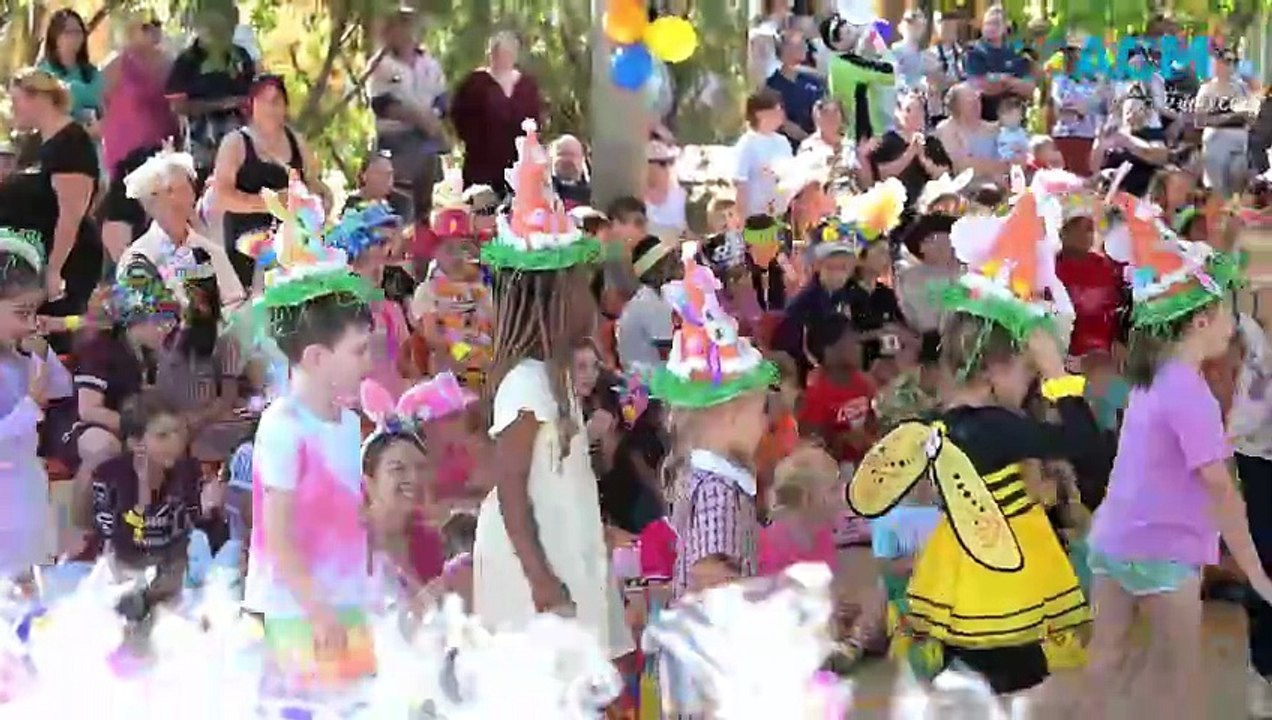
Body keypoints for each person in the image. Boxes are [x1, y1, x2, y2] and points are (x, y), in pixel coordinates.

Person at [847, 180, 1098, 696]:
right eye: (1027, 372)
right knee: (1009, 682)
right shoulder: (993, 427)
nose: (1032, 384)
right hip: (1002, 583)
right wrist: (1059, 374)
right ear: (994, 368)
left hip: (964, 570)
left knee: (980, 686)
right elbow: (1085, 444)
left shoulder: (949, 419)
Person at [1082, 190, 1272, 720]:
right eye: (1228, 312)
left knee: (1108, 659)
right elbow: (1222, 492)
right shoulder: (1191, 395)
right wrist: (1256, 573)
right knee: (1181, 679)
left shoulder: (1153, 377)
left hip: (1114, 539)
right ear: (1202, 321)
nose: (1235, 322)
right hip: (1164, 552)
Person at [473, 120, 631, 661]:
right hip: (532, 568)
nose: (593, 299)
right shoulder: (525, 384)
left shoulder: (556, 376)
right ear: (552, 300)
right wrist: (539, 579)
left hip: (565, 545)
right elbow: (510, 489)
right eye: (582, 288)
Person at [240, 190, 382, 700]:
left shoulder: (346, 424)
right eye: (359, 351)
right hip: (296, 610)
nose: (369, 362)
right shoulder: (284, 426)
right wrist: (317, 610)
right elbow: (278, 536)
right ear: (318, 357)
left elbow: (345, 513)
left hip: (344, 600)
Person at [652, 245, 773, 713]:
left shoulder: (703, 473)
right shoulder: (719, 491)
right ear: (727, 418)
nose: (765, 423)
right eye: (759, 412)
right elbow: (709, 574)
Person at [0, 69, 103, 330]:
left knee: (48, 333)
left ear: (39, 98)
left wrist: (54, 270)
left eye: (16, 100)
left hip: (64, 261)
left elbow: (70, 215)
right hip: (27, 259)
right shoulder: (36, 144)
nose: (13, 109)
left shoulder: (71, 143)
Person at [360, 372, 476, 600]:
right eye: (398, 469)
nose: (413, 478)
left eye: (420, 467)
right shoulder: (350, 547)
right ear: (370, 480)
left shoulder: (430, 542)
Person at [91, 392, 198, 616]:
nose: (175, 442)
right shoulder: (110, 478)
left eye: (178, 432)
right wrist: (143, 492)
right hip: (121, 577)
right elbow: (121, 546)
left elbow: (185, 538)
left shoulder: (186, 473)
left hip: (169, 577)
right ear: (135, 443)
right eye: (162, 436)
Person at [212, 75, 323, 290]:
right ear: (251, 104)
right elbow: (221, 197)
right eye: (263, 100)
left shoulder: (297, 140)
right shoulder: (235, 143)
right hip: (246, 246)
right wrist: (270, 203)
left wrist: (318, 200)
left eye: (276, 101)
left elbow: (312, 183)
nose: (270, 107)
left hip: (292, 246)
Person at [0, 229, 66, 581]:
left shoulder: (22, 355)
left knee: (32, 580)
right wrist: (30, 403)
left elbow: (62, 387)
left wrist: (40, 355)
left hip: (27, 484)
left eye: (33, 314)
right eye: (20, 313)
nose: (29, 324)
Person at [117, 147, 245, 309]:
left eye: (182, 189)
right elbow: (142, 318)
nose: (175, 199)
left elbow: (235, 304)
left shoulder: (209, 250)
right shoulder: (139, 259)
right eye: (166, 192)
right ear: (147, 204)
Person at [99, 13, 179, 258]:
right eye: (145, 27)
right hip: (126, 152)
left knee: (159, 221)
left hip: (161, 150)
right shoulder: (117, 65)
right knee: (122, 219)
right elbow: (101, 102)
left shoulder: (170, 64)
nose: (152, 31)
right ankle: (125, 269)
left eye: (157, 25)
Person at [368, 7, 449, 221]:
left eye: (408, 25)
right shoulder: (381, 65)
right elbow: (382, 104)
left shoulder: (430, 64)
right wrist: (419, 118)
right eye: (399, 25)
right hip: (395, 141)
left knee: (425, 205)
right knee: (399, 205)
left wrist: (434, 118)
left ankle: (423, 235)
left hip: (427, 142)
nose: (405, 31)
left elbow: (442, 98)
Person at [326, 198, 410, 400]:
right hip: (354, 394)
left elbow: (405, 355)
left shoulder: (391, 302)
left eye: (390, 242)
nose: (388, 250)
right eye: (380, 242)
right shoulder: (339, 296)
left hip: (391, 390)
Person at [165, 7, 256, 179]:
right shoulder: (186, 61)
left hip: (242, 142)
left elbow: (255, 93)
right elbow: (177, 106)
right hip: (202, 143)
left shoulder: (241, 56)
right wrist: (222, 104)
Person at [451, 31, 544, 194]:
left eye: (509, 52)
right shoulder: (474, 84)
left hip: (519, 167)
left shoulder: (527, 85)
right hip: (481, 166)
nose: (504, 57)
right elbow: (459, 119)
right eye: (499, 52)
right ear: (490, 54)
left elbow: (537, 120)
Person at [799, 316, 876, 466]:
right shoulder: (815, 397)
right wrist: (841, 440)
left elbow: (873, 422)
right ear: (830, 351)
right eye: (852, 341)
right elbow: (811, 448)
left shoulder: (865, 383)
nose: (859, 346)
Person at [1054, 203, 1125, 360]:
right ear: (1062, 233)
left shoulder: (1107, 267)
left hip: (1102, 355)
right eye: (1077, 228)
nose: (1084, 235)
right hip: (1063, 354)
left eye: (1088, 229)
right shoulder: (1049, 267)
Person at [870, 91, 953, 209]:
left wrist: (923, 159)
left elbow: (944, 174)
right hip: (895, 206)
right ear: (899, 113)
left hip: (926, 206)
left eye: (919, 111)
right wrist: (909, 154)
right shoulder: (888, 141)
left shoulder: (931, 142)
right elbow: (879, 174)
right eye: (908, 110)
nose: (914, 115)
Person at [1196, 45, 1253, 198]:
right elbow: (1200, 120)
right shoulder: (1207, 89)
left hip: (1239, 142)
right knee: (1217, 190)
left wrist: (1246, 115)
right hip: (1216, 142)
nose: (1231, 65)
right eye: (1227, 61)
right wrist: (1229, 117)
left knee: (1237, 183)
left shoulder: (1242, 88)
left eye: (1234, 61)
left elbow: (1251, 116)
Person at [1091, 88, 1169, 198]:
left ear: (1146, 113)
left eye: (1136, 111)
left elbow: (1160, 158)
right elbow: (1094, 166)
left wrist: (1130, 143)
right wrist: (1100, 142)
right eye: (1128, 111)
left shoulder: (1153, 134)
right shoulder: (1113, 133)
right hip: (1112, 193)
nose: (1131, 115)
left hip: (1141, 193)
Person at [617, 236, 680, 373]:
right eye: (670, 259)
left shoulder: (653, 298)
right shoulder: (650, 304)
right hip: (648, 381)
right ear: (658, 267)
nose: (677, 262)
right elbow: (670, 356)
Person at [963, 6, 1034, 122]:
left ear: (1005, 27)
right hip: (984, 117)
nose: (991, 27)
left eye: (996, 23)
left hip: (1015, 118)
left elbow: (1028, 87)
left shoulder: (1016, 51)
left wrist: (1003, 80)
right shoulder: (974, 51)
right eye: (987, 23)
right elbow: (981, 85)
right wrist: (1010, 81)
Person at [895, 213, 958, 344]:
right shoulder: (908, 278)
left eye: (948, 239)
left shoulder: (972, 274)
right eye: (932, 240)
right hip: (924, 342)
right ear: (921, 247)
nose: (941, 244)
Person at [734, 89, 794, 218]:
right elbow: (740, 184)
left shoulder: (782, 141)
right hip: (756, 217)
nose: (781, 113)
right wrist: (740, 218)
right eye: (777, 109)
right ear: (760, 113)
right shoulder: (747, 144)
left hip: (782, 214)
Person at [1049, 42, 1106, 176]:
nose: (1072, 60)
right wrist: (1079, 108)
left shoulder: (1094, 83)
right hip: (1065, 136)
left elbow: (1098, 107)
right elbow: (1060, 106)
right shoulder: (1059, 81)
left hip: (1089, 137)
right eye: (1068, 55)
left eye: (1076, 55)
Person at [37, 9, 103, 125]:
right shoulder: (44, 72)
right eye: (68, 32)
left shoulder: (92, 72)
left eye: (78, 32)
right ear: (55, 37)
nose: (74, 37)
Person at [936, 83, 1008, 184]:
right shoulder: (946, 129)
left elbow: (1013, 159)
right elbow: (961, 166)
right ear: (956, 106)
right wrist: (999, 166)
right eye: (969, 101)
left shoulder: (994, 128)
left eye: (977, 99)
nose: (976, 104)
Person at [767, 29, 826, 150]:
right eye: (799, 44)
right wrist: (809, 141)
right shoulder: (772, 86)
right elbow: (784, 124)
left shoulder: (813, 80)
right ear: (785, 49)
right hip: (789, 150)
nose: (805, 47)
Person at [341, 150, 413, 224]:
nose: (387, 180)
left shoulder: (402, 203)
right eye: (380, 174)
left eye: (389, 174)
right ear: (364, 176)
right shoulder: (353, 205)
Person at [926, 10, 966, 125]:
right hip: (939, 112)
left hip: (961, 111)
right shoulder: (930, 54)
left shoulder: (963, 53)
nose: (949, 29)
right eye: (944, 25)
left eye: (952, 25)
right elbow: (933, 84)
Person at [644, 141, 687, 238]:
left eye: (669, 163)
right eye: (662, 164)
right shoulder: (636, 200)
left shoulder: (683, 199)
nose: (667, 168)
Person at [549, 134, 591, 208]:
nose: (568, 159)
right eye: (562, 154)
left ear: (582, 159)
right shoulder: (542, 190)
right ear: (552, 157)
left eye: (573, 155)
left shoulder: (593, 196)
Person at [995, 95, 1030, 164]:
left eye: (1019, 116)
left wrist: (1021, 148)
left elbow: (1027, 148)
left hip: (1017, 162)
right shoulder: (998, 133)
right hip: (1001, 162)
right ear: (1003, 117)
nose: (1018, 119)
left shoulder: (1021, 133)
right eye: (1013, 116)